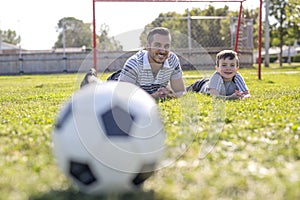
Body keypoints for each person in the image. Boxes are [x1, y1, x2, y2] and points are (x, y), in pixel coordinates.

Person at [81, 27, 186, 100]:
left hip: (143, 88)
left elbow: (181, 91)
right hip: (119, 82)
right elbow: (123, 98)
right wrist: (153, 96)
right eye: (157, 45)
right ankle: (91, 80)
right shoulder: (134, 63)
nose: (162, 50)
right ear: (147, 46)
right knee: (103, 91)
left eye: (166, 46)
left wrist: (171, 95)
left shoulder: (172, 60)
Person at [186, 50, 250, 100]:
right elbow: (214, 96)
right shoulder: (217, 77)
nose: (228, 68)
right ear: (217, 68)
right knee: (184, 91)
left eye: (232, 65)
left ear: (237, 69)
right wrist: (230, 97)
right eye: (224, 65)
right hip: (201, 85)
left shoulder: (237, 77)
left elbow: (247, 94)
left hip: (211, 82)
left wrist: (243, 97)